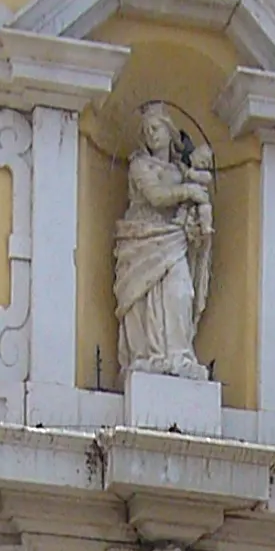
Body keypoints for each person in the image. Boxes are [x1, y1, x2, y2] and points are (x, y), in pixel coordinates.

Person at [113, 104, 214, 379]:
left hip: (174, 238)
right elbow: (156, 197)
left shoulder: (183, 168)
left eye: (156, 129)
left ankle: (179, 355)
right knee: (144, 298)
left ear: (169, 131)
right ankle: (147, 355)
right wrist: (189, 190)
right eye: (146, 132)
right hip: (143, 238)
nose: (151, 136)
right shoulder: (139, 165)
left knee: (181, 292)